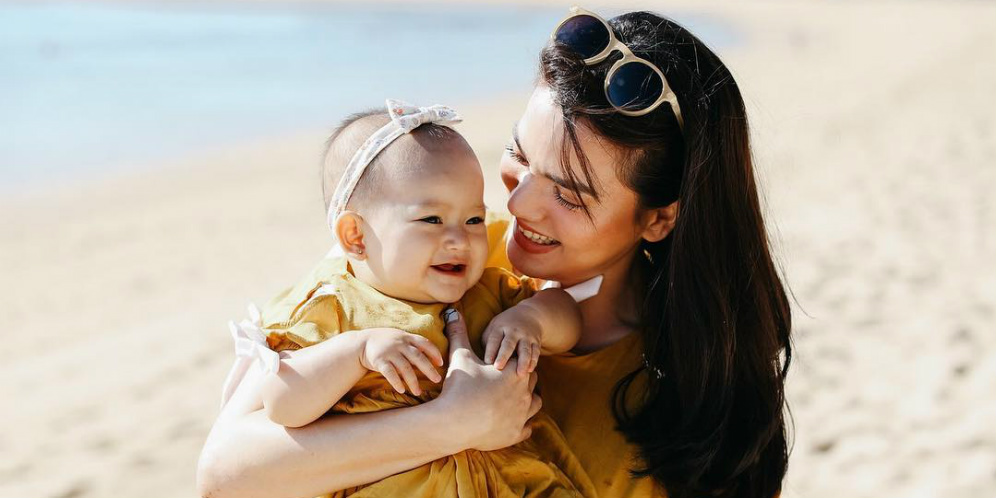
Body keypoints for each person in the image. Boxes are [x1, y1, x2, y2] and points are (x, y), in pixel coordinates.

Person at [198, 8, 791, 498]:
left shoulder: (688, 405)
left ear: (659, 219)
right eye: (520, 154)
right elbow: (224, 474)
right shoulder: (426, 255)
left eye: (568, 193)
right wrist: (447, 424)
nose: (522, 202)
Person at [224, 100, 596, 498]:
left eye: (473, 219)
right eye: (431, 220)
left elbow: (569, 319)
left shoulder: (487, 291)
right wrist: (356, 352)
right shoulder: (334, 307)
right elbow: (283, 404)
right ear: (356, 237)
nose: (460, 239)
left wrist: (534, 318)